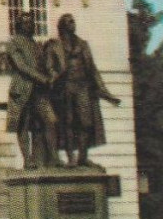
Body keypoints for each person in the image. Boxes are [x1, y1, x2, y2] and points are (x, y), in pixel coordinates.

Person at [49, 13, 121, 166]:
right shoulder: (54, 45)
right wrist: (53, 78)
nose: (73, 24)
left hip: (83, 87)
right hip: (65, 87)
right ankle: (71, 158)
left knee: (86, 123)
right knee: (67, 122)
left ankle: (83, 156)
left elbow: (93, 70)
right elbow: (49, 68)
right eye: (69, 22)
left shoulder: (83, 44)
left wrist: (106, 93)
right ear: (62, 26)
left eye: (73, 21)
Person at [6, 12, 59, 168]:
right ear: (19, 25)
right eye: (26, 22)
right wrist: (42, 78)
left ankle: (54, 157)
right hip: (22, 88)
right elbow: (21, 65)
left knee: (51, 120)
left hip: (39, 91)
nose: (30, 24)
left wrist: (51, 74)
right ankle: (27, 159)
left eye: (31, 22)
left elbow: (43, 65)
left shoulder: (35, 44)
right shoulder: (14, 42)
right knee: (24, 124)